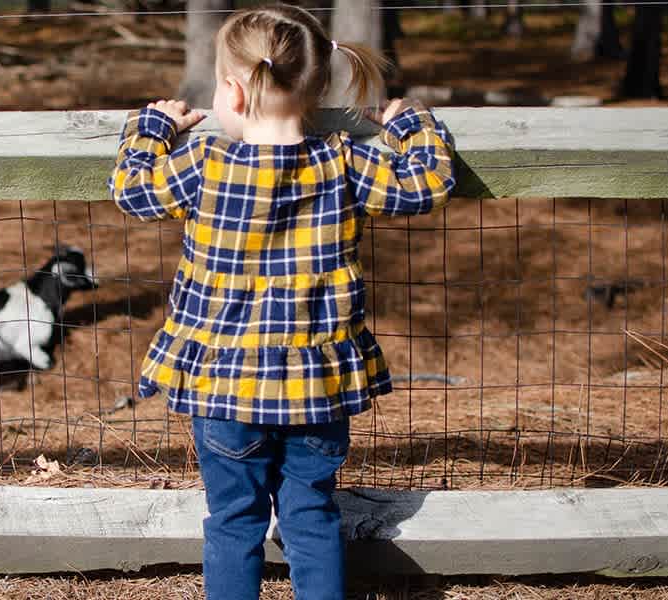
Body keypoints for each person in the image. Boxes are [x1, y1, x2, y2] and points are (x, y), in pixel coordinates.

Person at [107, 4, 456, 598]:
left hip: (224, 388)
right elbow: (430, 183)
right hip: (316, 392)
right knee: (311, 516)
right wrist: (411, 127)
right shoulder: (347, 160)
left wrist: (151, 129)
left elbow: (131, 190)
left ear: (232, 93)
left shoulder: (202, 162)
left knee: (233, 522)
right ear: (319, 86)